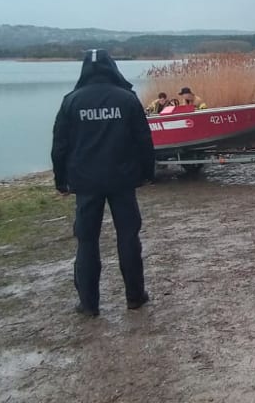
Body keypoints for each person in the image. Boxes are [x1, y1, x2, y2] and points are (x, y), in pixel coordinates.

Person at [52, 49, 155, 317]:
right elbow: (144, 140)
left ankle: (89, 304)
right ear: (112, 68)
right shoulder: (127, 99)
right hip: (122, 179)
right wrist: (147, 173)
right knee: (128, 237)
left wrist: (60, 180)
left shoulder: (71, 101)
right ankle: (134, 296)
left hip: (85, 183)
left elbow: (60, 145)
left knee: (87, 241)